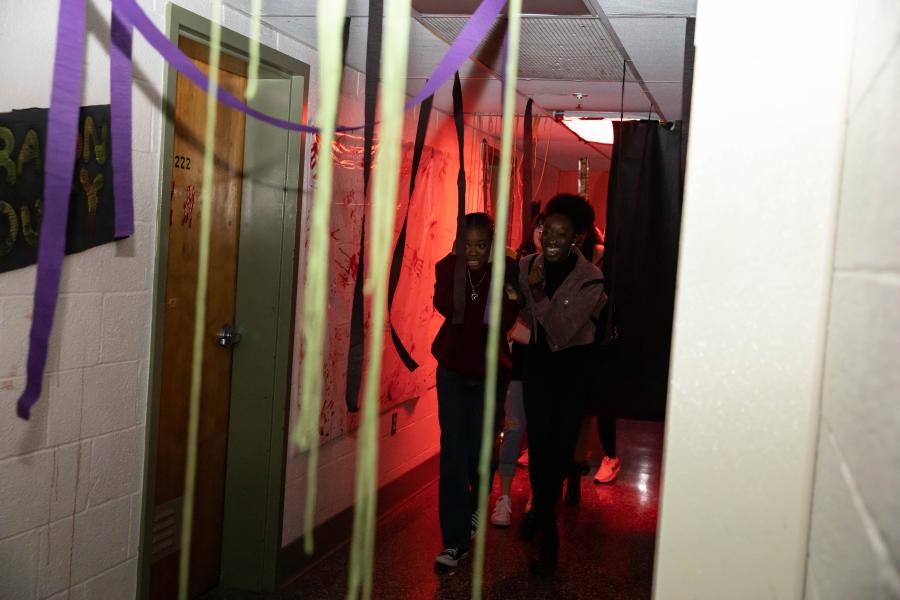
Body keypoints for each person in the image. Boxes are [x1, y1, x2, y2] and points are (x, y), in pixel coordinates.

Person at [506, 194, 607, 574]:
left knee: (559, 452)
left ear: (576, 239)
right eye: (546, 231)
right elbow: (516, 309)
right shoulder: (528, 264)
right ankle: (544, 518)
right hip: (537, 368)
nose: (550, 240)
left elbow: (563, 332)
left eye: (560, 234)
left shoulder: (590, 278)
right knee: (540, 449)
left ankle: (548, 536)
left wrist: (537, 292)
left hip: (571, 372)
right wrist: (514, 295)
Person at [431, 212, 518, 569]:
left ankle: (477, 503)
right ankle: (454, 541)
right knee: (453, 454)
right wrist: (455, 260)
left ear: (491, 245)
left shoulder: (503, 274)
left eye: (481, 245)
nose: (474, 252)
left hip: (490, 373)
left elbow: (508, 319)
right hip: (452, 371)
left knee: (480, 454)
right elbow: (445, 307)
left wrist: (503, 283)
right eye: (467, 244)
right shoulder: (447, 268)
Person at [490, 213, 544, 528]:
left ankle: (539, 494)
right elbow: (507, 311)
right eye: (539, 226)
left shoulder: (563, 272)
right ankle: (505, 498)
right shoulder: (518, 266)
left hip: (548, 369)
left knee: (541, 434)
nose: (544, 233)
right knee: (512, 429)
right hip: (520, 366)